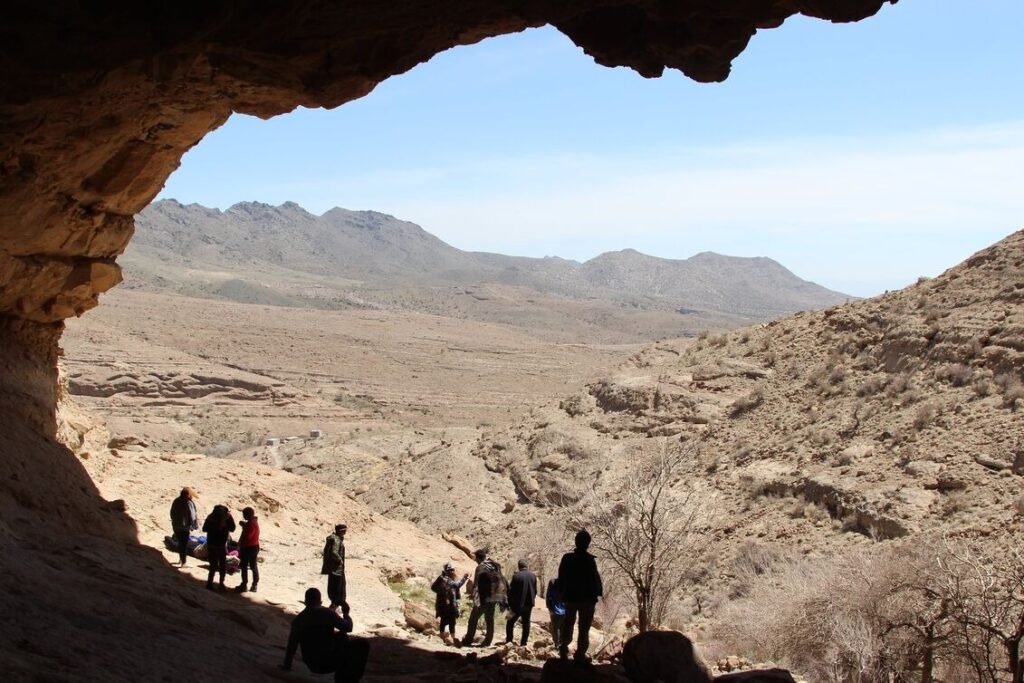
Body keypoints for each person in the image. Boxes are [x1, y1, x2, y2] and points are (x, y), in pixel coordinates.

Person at [282, 588, 369, 683]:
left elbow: (292, 645)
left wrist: (287, 665)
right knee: (361, 644)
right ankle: (346, 678)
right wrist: (346, 613)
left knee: (340, 637)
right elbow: (348, 627)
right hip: (328, 661)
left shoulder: (299, 620)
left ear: (305, 602)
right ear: (320, 601)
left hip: (312, 663)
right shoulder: (327, 613)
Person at [557, 529, 603, 663]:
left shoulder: (567, 558)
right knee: (584, 628)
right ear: (588, 544)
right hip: (587, 600)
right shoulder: (590, 560)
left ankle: (563, 649)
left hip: (570, 598)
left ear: (576, 542)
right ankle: (580, 654)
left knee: (568, 623)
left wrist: (562, 594)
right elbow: (595, 580)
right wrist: (595, 596)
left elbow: (561, 577)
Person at [461, 549, 507, 647]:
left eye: (475, 559)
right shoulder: (495, 565)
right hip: (495, 596)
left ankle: (468, 640)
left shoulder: (480, 567)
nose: (475, 561)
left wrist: (474, 597)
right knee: (489, 619)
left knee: (473, 619)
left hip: (484, 598)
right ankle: (487, 642)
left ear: (478, 558)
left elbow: (476, 584)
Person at [202, 504, 236, 591]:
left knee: (213, 565)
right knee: (222, 565)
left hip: (211, 544)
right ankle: (221, 584)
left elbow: (204, 529)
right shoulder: (226, 518)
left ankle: (210, 583)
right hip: (220, 545)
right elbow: (233, 528)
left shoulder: (211, 517)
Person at [431, 562, 469, 640]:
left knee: (451, 621)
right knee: (446, 620)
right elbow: (457, 585)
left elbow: (434, 588)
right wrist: (464, 578)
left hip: (449, 603)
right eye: (450, 570)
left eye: (452, 570)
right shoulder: (444, 578)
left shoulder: (445, 578)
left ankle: (451, 638)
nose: (451, 571)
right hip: (446, 604)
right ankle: (445, 637)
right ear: (446, 570)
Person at [505, 559, 538, 645]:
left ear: (519, 567)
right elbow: (535, 591)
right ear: (527, 566)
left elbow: (511, 591)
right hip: (529, 604)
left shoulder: (516, 576)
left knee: (510, 622)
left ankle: (509, 640)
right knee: (526, 623)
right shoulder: (533, 576)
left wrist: (510, 603)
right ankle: (524, 642)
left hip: (517, 605)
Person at [169, 487, 198, 566]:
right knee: (184, 544)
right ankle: (184, 563)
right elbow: (192, 516)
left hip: (176, 526)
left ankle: (181, 559)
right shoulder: (188, 503)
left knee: (180, 543)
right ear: (188, 495)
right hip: (184, 527)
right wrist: (194, 526)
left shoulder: (176, 500)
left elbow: (172, 513)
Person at [321, 523, 347, 611]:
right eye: (344, 531)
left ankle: (334, 604)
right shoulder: (336, 540)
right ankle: (335, 605)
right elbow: (334, 552)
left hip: (333, 568)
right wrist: (340, 560)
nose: (345, 532)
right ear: (341, 531)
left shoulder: (334, 538)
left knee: (333, 585)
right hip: (337, 569)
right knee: (338, 587)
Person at [235, 506, 260, 593]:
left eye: (244, 514)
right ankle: (254, 584)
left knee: (244, 566)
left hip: (248, 548)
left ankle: (244, 584)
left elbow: (247, 537)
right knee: (253, 566)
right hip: (255, 546)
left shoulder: (250, 524)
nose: (243, 516)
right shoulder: (254, 522)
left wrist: (240, 545)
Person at [545, 577, 566, 650]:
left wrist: (550, 608)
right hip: (563, 610)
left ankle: (558, 645)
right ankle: (561, 646)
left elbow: (548, 596)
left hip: (556, 609)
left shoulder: (552, 582)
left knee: (556, 628)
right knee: (561, 628)